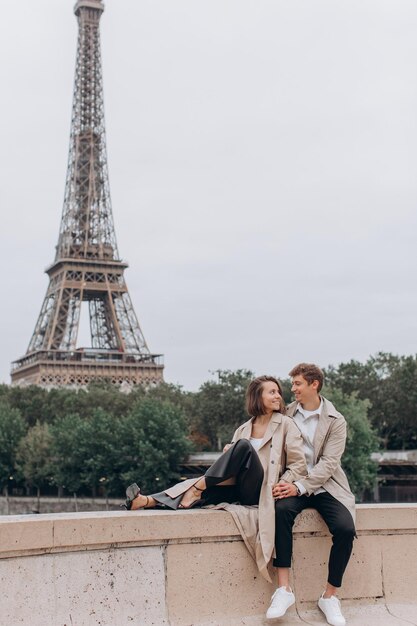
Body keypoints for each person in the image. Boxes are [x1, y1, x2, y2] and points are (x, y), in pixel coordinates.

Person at [124, 375, 307, 582]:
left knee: (240, 449)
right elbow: (228, 467)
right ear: (258, 397)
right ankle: (147, 501)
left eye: (278, 392)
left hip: (263, 489)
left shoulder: (286, 425)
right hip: (239, 486)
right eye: (272, 392)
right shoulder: (243, 429)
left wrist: (284, 482)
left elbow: (299, 464)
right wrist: (229, 453)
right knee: (201, 487)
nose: (278, 396)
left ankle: (197, 487)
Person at [267, 363, 356, 626]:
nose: (291, 389)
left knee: (345, 529)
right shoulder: (285, 414)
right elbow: (261, 430)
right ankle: (283, 590)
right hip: (292, 480)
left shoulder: (336, 421)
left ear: (313, 384)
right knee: (281, 511)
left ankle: (329, 596)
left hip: (326, 485)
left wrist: (301, 487)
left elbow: (329, 464)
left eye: (297, 384)